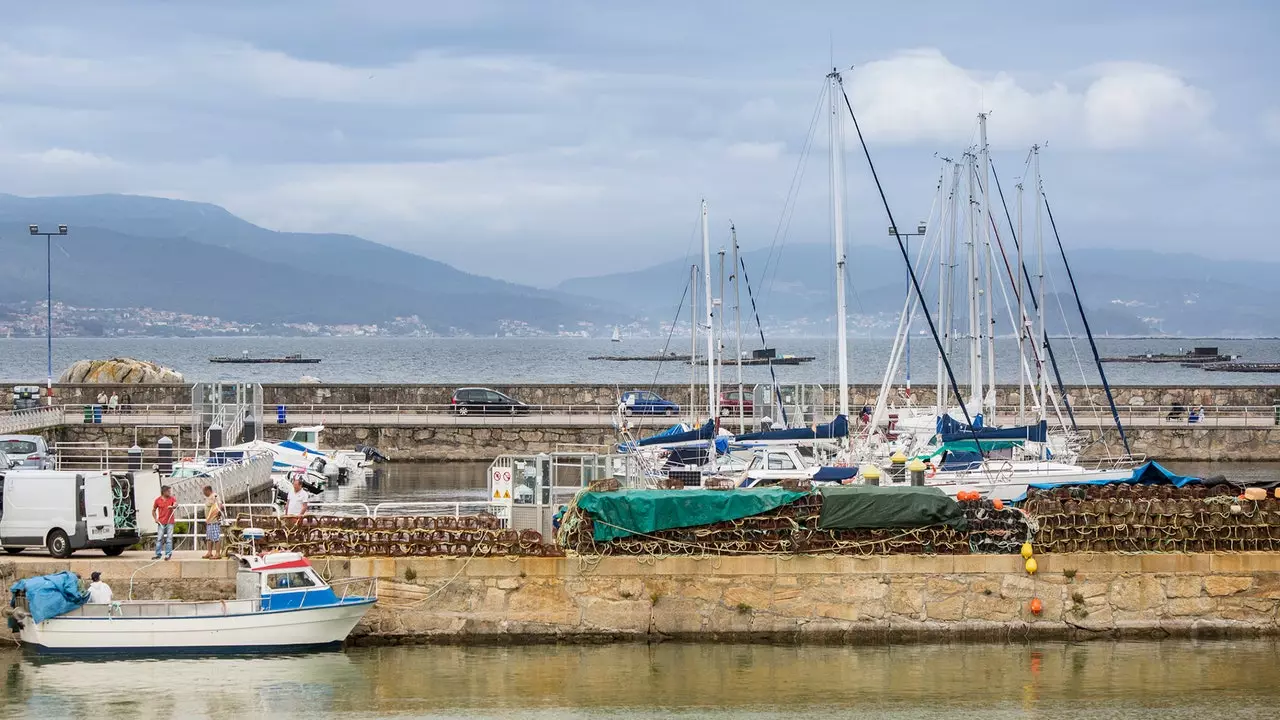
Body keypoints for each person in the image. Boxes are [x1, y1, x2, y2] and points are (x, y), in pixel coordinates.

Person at [152, 485, 177, 560]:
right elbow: (153, 510)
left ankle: (168, 554)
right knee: (159, 538)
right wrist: (155, 518)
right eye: (168, 491)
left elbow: (176, 504)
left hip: (170, 521)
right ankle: (158, 554)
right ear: (164, 492)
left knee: (169, 538)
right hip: (161, 522)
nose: (170, 492)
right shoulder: (157, 500)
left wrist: (173, 506)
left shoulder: (172, 499)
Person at [202, 485, 224, 560]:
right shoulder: (209, 497)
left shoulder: (215, 496)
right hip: (209, 521)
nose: (203, 493)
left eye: (204, 491)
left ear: (208, 490)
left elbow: (220, 504)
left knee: (216, 537)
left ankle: (218, 553)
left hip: (214, 521)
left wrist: (218, 513)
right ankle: (209, 552)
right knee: (209, 538)